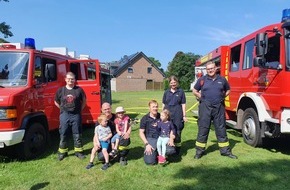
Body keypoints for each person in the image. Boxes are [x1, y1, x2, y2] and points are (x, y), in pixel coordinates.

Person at [192, 61, 237, 159]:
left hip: (219, 107)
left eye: (212, 68)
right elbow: (194, 90)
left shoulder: (222, 79)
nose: (210, 70)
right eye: (208, 69)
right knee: (203, 128)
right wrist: (201, 97)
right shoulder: (202, 80)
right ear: (206, 70)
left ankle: (225, 151)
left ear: (216, 68)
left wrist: (223, 96)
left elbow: (228, 90)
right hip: (205, 107)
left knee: (221, 128)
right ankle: (199, 152)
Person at [54, 72, 86, 161]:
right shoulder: (61, 90)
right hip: (64, 115)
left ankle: (79, 152)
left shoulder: (79, 90)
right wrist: (61, 108)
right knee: (63, 133)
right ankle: (62, 153)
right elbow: (56, 101)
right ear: (65, 79)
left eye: (72, 79)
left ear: (75, 80)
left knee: (77, 134)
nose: (70, 80)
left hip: (76, 115)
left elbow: (84, 101)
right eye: (69, 79)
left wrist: (79, 110)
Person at [139, 100, 175, 165]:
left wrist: (171, 139)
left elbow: (171, 127)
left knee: (170, 151)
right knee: (150, 162)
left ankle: (162, 155)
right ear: (149, 108)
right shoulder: (145, 118)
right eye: (153, 107)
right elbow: (141, 132)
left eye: (156, 107)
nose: (155, 108)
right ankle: (157, 153)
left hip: (162, 136)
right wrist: (147, 144)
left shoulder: (161, 116)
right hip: (151, 138)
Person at [162, 75, 187, 155]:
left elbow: (183, 104)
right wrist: (162, 115)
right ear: (169, 83)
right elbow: (163, 103)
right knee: (167, 130)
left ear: (177, 83)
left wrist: (184, 115)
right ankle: (168, 148)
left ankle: (177, 149)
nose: (173, 84)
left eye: (174, 82)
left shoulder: (181, 92)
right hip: (168, 113)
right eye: (171, 83)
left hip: (177, 114)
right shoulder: (166, 92)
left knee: (178, 131)